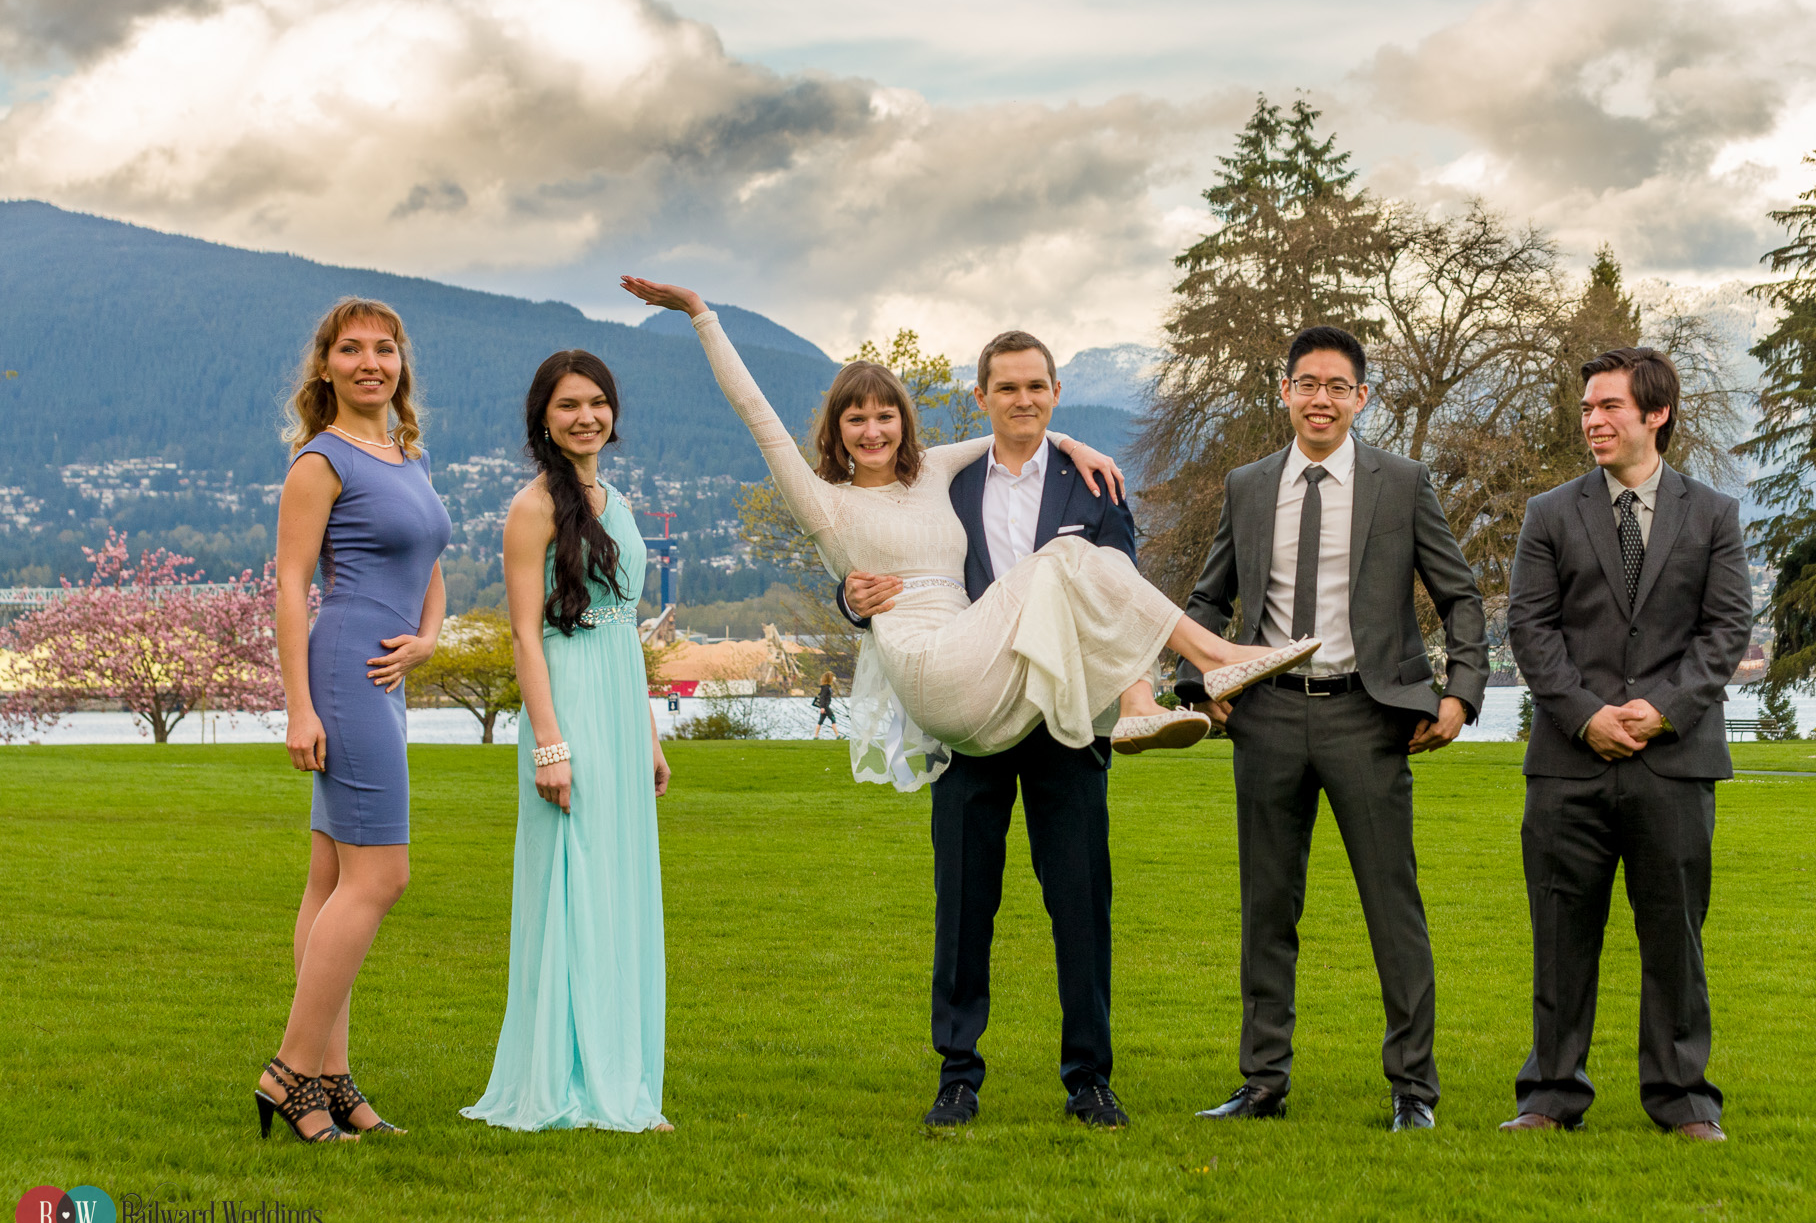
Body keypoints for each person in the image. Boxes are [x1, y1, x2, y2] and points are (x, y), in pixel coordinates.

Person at [618, 276, 1316, 788]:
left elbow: (1016, 426)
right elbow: (755, 414)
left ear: (903, 423)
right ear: (835, 431)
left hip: (984, 667)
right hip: (930, 667)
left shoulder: (931, 472)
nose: (872, 431)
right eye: (855, 420)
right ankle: (1212, 658)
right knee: (1068, 555)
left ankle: (1142, 701)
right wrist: (702, 314)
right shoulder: (824, 503)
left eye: (885, 416)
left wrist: (1076, 445)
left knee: (1080, 563)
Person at [836, 329, 1160, 1129]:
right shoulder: (938, 482)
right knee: (964, 903)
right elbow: (872, 553)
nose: (1023, 400)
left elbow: (1120, 587)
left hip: (1065, 717)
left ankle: (1089, 1077)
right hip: (971, 719)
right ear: (981, 397)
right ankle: (957, 1074)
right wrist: (851, 600)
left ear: (1055, 393)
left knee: (1081, 902)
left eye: (1037, 387)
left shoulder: (1096, 485)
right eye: (1007, 388)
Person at [1171, 325, 1488, 1132]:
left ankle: (1413, 1089)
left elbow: (1461, 596)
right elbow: (1206, 601)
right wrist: (1196, 680)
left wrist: (1460, 695)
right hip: (1267, 716)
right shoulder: (1246, 485)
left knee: (1394, 907)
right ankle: (1262, 1083)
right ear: (1284, 392)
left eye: (1337, 386)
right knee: (1267, 907)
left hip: (1367, 716)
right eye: (1306, 383)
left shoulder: (1403, 482)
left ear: (1361, 398)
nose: (1321, 398)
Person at [1503, 346, 1751, 1142]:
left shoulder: (1713, 515)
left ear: (1657, 413)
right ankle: (1548, 1096)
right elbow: (1530, 630)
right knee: (1559, 936)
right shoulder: (1549, 513)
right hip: (1568, 763)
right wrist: (1586, 716)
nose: (1593, 421)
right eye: (1586, 409)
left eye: (1609, 407)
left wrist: (1662, 709)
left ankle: (1682, 1102)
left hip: (1675, 762)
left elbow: (1726, 631)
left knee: (1674, 939)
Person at [464, 351, 674, 1133]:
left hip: (619, 705)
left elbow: (623, 631)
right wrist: (548, 743)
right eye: (567, 406)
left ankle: (619, 1076)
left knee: (618, 887)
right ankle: (568, 1081)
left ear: (612, 412)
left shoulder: (618, 500)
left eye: (596, 403)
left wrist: (647, 733)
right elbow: (525, 634)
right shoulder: (532, 507)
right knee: (575, 885)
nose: (585, 417)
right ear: (542, 419)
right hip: (568, 708)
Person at [260, 297, 451, 1143]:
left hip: (384, 671)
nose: (370, 362)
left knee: (333, 879)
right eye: (351, 349)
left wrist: (430, 639)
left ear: (400, 364)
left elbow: (427, 563)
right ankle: (291, 1071)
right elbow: (291, 588)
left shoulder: (404, 456)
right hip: (342, 672)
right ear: (326, 365)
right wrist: (301, 706)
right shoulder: (321, 462)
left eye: (385, 349)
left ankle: (334, 1082)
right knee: (383, 876)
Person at [813, 671, 841, 739]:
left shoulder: (827, 687)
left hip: (825, 706)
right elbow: (822, 697)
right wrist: (822, 707)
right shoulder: (825, 688)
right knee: (833, 719)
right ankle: (838, 736)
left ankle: (816, 736)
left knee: (820, 721)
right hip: (825, 707)